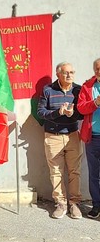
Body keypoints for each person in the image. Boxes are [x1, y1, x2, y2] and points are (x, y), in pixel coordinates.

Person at [37, 62, 83, 219]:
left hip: (72, 135)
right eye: (66, 72)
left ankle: (74, 203)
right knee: (56, 171)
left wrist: (72, 114)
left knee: (74, 171)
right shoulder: (48, 90)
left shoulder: (78, 90)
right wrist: (58, 112)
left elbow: (83, 113)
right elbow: (40, 112)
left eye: (72, 72)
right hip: (53, 136)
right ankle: (61, 203)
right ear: (58, 74)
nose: (69, 75)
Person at [77, 58, 100, 219]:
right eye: (97, 69)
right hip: (93, 137)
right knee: (94, 174)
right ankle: (96, 205)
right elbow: (81, 107)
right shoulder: (87, 86)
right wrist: (95, 103)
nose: (99, 71)